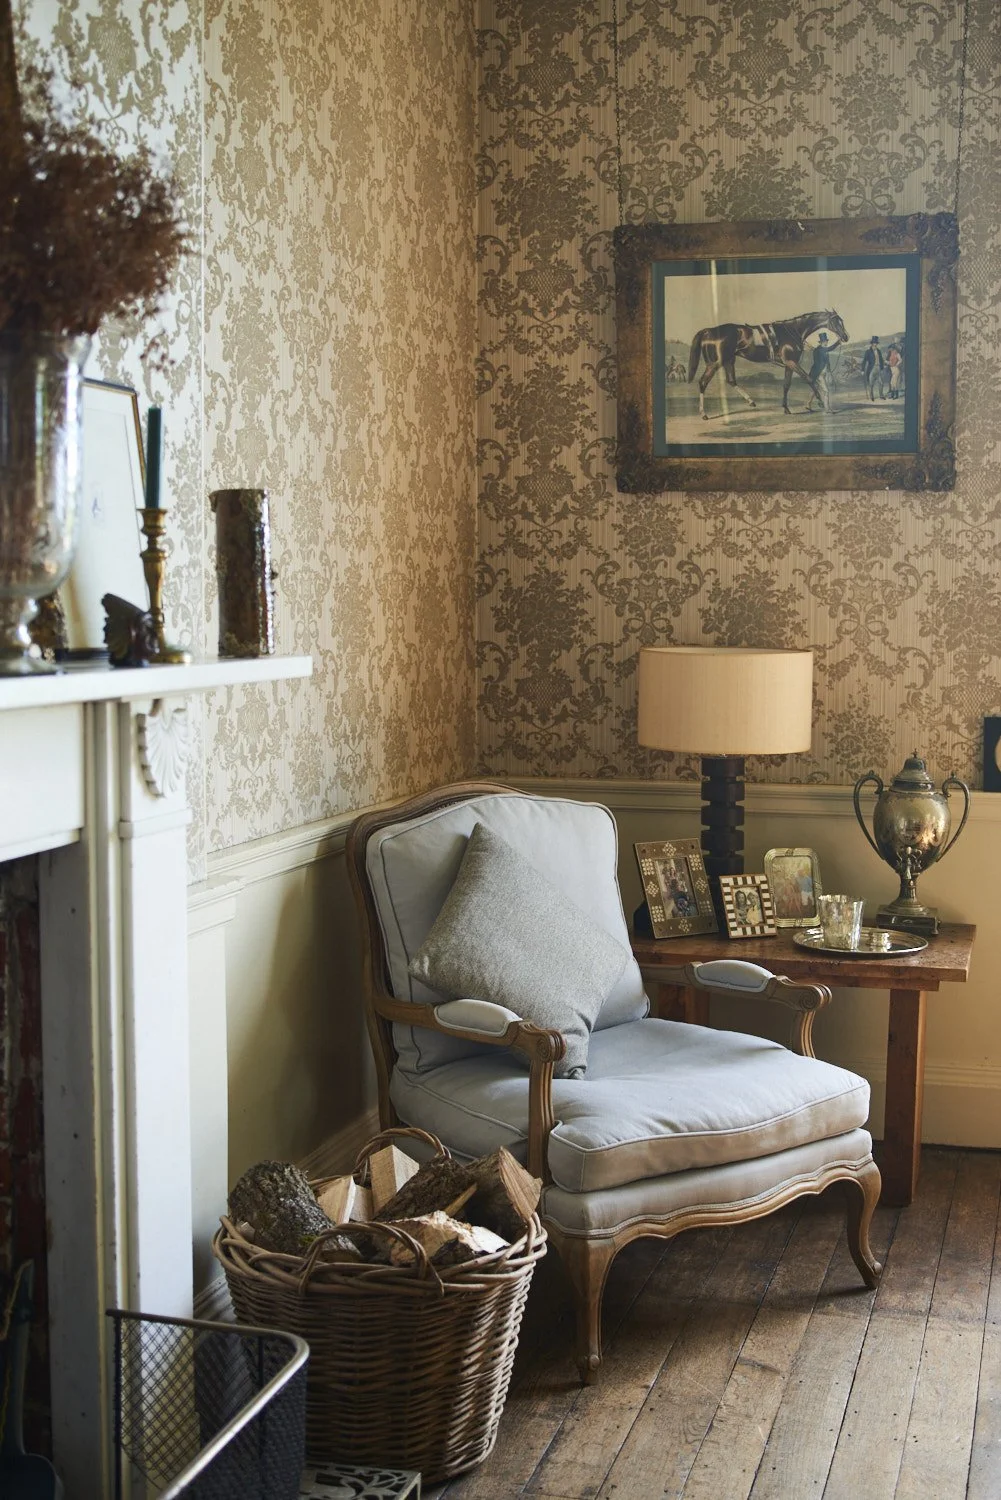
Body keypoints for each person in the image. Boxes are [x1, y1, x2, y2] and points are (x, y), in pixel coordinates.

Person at [806, 331, 834, 412]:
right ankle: (827, 408)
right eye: (824, 341)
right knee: (826, 391)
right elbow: (830, 348)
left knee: (815, 389)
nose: (826, 343)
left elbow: (827, 362)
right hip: (819, 374)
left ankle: (808, 404)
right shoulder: (820, 350)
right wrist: (838, 342)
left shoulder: (822, 350)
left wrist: (829, 371)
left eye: (826, 341)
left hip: (821, 374)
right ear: (821, 342)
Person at [861, 335, 885, 401]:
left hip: (878, 368)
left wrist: (882, 368)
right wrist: (862, 370)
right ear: (872, 344)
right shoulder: (868, 352)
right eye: (874, 343)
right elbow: (864, 361)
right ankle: (872, 397)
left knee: (881, 383)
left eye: (876, 343)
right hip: (871, 369)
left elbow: (881, 360)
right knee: (871, 384)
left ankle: (881, 395)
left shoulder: (879, 351)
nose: (875, 344)